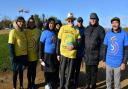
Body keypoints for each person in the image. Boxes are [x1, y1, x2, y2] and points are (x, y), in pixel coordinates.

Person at [56, 13, 81, 89]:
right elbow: (58, 41)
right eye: (69, 20)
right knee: (62, 71)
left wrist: (74, 46)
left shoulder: (76, 30)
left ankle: (67, 86)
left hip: (72, 54)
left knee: (70, 72)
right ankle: (61, 86)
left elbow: (79, 42)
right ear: (67, 21)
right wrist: (58, 53)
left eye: (72, 20)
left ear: (73, 20)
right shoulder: (63, 28)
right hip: (63, 53)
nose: (70, 21)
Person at [102, 17, 128, 89]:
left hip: (118, 64)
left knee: (117, 83)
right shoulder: (108, 34)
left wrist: (124, 62)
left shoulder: (124, 34)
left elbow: (126, 49)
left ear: (119, 24)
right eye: (113, 23)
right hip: (108, 62)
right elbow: (104, 48)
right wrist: (104, 61)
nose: (114, 24)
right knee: (108, 82)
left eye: (116, 22)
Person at [84, 13, 105, 89]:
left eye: (94, 19)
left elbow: (103, 44)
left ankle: (93, 85)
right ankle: (87, 85)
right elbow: (83, 42)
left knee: (94, 73)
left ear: (97, 20)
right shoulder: (86, 29)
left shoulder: (100, 29)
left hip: (95, 55)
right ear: (89, 20)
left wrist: (101, 55)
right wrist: (84, 53)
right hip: (87, 55)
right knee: (87, 72)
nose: (92, 20)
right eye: (91, 19)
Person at [39, 17, 59, 89]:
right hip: (46, 55)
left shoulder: (55, 32)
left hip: (54, 55)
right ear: (48, 24)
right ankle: (47, 84)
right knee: (47, 71)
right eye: (50, 23)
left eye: (53, 24)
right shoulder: (44, 32)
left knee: (53, 70)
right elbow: (41, 45)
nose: (51, 25)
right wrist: (40, 57)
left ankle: (52, 83)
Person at [8, 16, 27, 89]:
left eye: (22, 22)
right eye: (20, 21)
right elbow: (10, 46)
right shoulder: (13, 31)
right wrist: (13, 57)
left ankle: (21, 86)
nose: (21, 23)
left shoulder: (23, 31)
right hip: (16, 57)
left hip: (23, 56)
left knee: (21, 72)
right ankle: (14, 87)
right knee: (15, 73)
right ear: (17, 22)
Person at [25, 15, 41, 89]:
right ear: (28, 23)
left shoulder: (38, 31)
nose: (31, 23)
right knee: (29, 71)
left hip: (35, 55)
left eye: (32, 22)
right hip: (27, 55)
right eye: (30, 22)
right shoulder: (25, 31)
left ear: (34, 23)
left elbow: (41, 42)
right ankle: (29, 83)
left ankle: (33, 83)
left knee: (34, 71)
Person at [74, 17, 85, 87]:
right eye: (78, 21)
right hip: (72, 52)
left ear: (82, 22)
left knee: (77, 68)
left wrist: (84, 51)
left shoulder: (84, 29)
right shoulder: (74, 28)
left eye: (80, 21)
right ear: (77, 22)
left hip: (80, 52)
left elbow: (85, 41)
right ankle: (71, 80)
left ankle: (76, 81)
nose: (79, 23)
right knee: (71, 68)